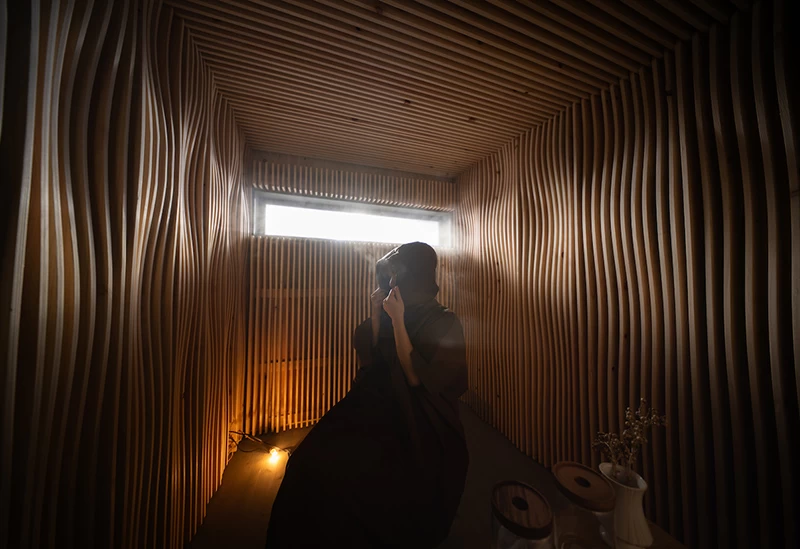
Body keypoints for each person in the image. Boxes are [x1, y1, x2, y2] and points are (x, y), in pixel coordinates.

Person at [265, 242, 469, 548]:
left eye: (398, 273)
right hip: (375, 399)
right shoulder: (395, 305)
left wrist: (397, 320)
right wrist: (378, 312)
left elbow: (416, 376)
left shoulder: (444, 320)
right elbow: (375, 355)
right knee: (306, 464)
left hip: (414, 412)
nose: (392, 280)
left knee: (367, 484)